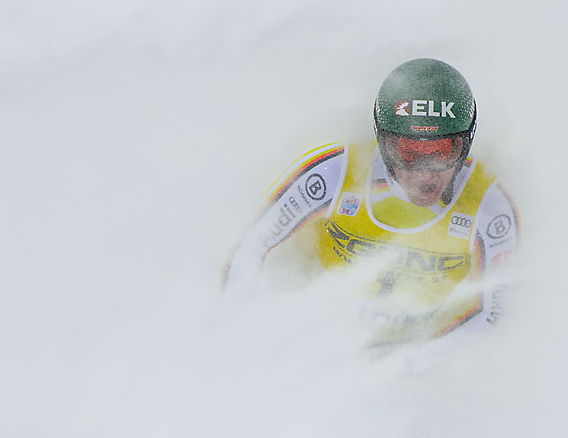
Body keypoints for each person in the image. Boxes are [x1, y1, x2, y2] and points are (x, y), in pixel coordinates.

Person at [222, 58, 519, 347]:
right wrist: (237, 332)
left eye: (442, 152)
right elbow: (249, 245)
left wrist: (413, 362)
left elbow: (495, 315)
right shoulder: (335, 173)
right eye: (408, 153)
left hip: (424, 348)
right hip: (322, 334)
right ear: (383, 142)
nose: (424, 174)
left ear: (466, 143)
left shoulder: (489, 205)